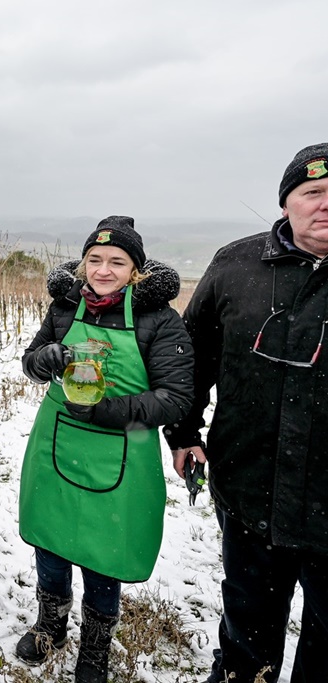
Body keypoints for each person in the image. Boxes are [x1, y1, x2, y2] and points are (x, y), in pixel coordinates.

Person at [165, 143, 328, 683]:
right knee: (248, 619)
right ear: (287, 203)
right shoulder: (237, 264)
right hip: (248, 484)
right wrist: (183, 432)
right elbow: (194, 356)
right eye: (313, 193)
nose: (326, 205)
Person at [17, 216, 193, 681]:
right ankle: (49, 625)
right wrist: (44, 360)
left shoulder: (159, 320)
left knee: (104, 549)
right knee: (50, 540)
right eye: (94, 259)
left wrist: (105, 411)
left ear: (136, 269)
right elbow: (30, 363)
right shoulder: (64, 307)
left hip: (121, 448)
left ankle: (95, 647)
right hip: (57, 440)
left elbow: (175, 398)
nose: (103, 269)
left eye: (117, 261)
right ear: (82, 264)